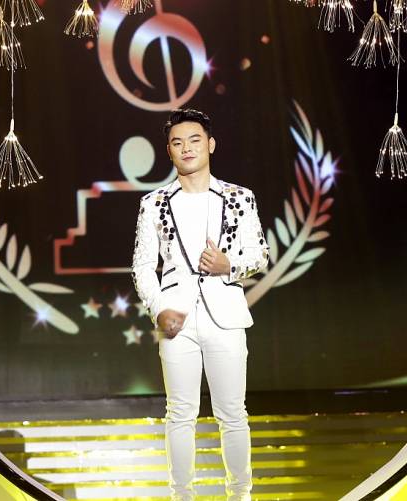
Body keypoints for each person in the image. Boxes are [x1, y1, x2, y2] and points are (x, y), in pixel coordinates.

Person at [131, 108, 269, 500]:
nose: (186, 148)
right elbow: (142, 265)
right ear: (169, 151)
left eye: (194, 140)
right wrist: (158, 308)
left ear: (210, 144)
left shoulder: (239, 197)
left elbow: (259, 254)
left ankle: (240, 494)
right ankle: (182, 496)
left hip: (225, 316)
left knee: (232, 413)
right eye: (177, 143)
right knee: (179, 414)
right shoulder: (154, 202)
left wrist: (229, 266)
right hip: (175, 318)